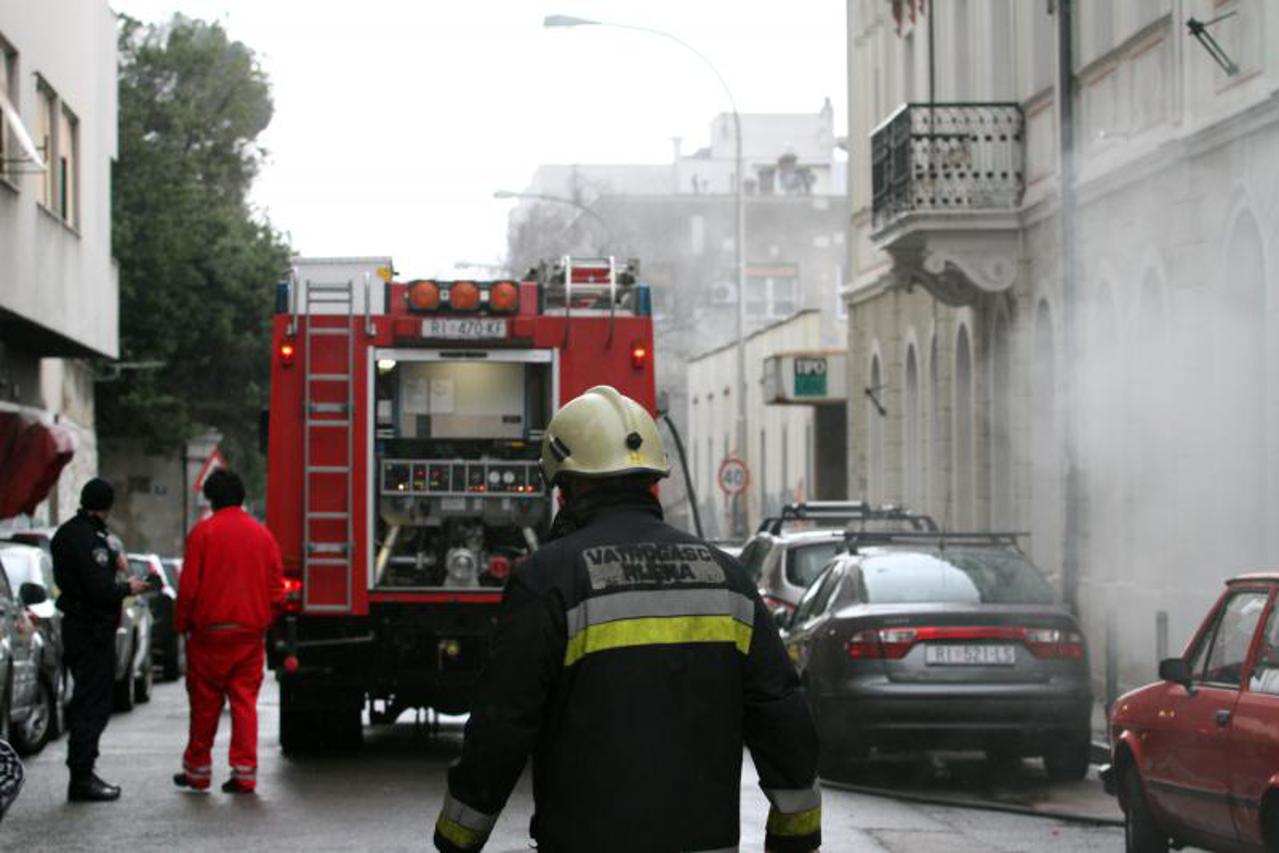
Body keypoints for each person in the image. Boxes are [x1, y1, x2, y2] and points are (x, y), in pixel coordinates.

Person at [432, 385, 822, 853]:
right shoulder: (728, 578)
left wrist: (459, 835)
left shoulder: (549, 579)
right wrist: (794, 837)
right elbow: (782, 715)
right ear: (649, 478)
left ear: (568, 486)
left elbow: (504, 723)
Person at [171, 469, 284, 794]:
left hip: (209, 635)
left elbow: (189, 587)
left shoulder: (202, 534)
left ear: (210, 498)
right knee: (244, 703)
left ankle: (197, 771)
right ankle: (245, 773)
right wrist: (266, 618)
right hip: (249, 635)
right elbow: (276, 588)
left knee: (205, 705)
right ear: (242, 497)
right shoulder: (262, 536)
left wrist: (182, 624)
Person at [51, 477, 151, 802]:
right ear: (107, 505)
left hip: (78, 627)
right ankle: (82, 775)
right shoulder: (91, 540)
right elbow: (99, 590)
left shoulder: (69, 533)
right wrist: (128, 587)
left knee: (87, 699)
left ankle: (82, 772)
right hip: (92, 630)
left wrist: (115, 563)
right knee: (93, 704)